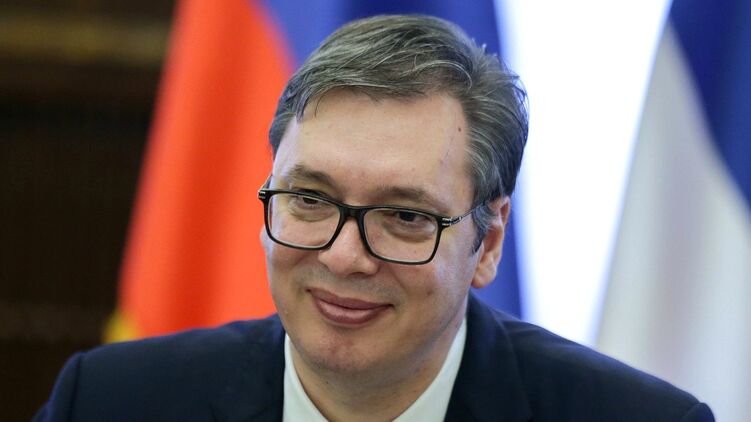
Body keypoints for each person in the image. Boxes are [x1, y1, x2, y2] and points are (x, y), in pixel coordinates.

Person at [36, 15, 713, 421]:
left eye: (404, 215)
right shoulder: (111, 403)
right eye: (310, 200)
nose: (343, 256)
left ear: (486, 244)